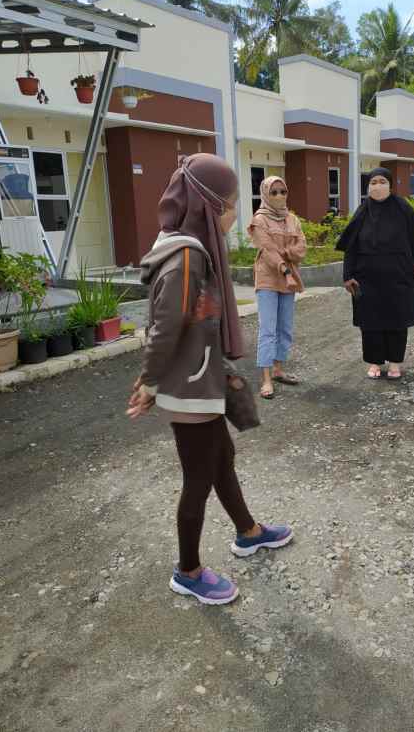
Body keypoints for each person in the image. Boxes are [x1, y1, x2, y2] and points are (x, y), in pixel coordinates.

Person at [127, 154, 292, 606]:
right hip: (188, 385)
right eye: (232, 204)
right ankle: (188, 571)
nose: (237, 213)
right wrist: (149, 382)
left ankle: (249, 532)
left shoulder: (184, 245)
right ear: (209, 206)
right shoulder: (185, 256)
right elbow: (166, 325)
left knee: (222, 457)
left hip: (200, 377)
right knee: (199, 477)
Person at [336, 167, 414, 380]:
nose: (377, 186)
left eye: (382, 181)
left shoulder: (402, 207)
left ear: (390, 184)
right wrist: (347, 275)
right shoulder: (362, 211)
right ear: (367, 186)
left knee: (397, 319)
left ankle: (395, 363)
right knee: (370, 322)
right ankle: (375, 362)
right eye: (373, 182)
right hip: (366, 278)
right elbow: (350, 246)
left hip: (398, 274)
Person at [248, 176, 307, 399]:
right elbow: (268, 250)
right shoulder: (259, 220)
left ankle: (278, 370)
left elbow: (301, 248)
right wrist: (285, 268)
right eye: (273, 192)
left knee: (285, 327)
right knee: (268, 329)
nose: (279, 196)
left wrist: (287, 254)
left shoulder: (292, 219)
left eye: (282, 191)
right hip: (268, 278)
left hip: (288, 278)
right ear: (265, 194)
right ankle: (265, 379)